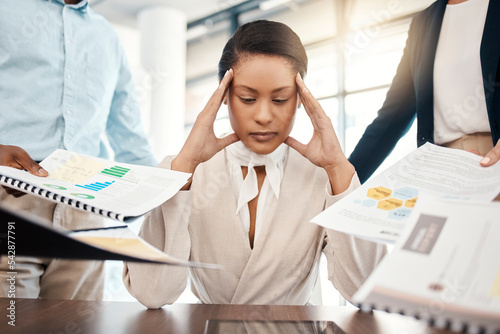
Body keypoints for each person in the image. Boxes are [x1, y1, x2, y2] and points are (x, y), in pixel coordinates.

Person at [123, 20, 386, 308]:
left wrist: (338, 168)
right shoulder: (184, 171)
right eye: (247, 98)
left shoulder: (322, 177)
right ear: (223, 96)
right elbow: (152, 294)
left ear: (300, 99)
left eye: (280, 99)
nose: (263, 115)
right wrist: (185, 166)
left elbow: (367, 290)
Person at [0, 0, 157, 300]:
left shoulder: (108, 38)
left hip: (86, 213)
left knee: (77, 326)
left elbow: (132, 141)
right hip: (12, 200)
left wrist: (169, 190)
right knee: (11, 323)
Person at [348, 0, 500, 183]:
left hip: (494, 154)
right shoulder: (422, 24)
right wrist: (343, 181)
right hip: (441, 168)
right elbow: (391, 119)